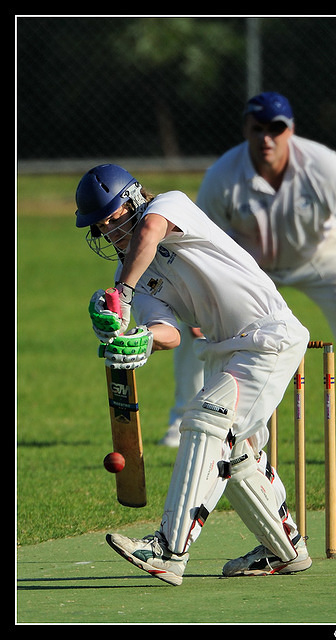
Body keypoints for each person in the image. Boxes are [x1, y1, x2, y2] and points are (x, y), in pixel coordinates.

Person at [75, 163, 312, 586]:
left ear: (133, 200)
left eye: (116, 217)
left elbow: (149, 232)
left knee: (207, 421)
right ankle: (285, 549)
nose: (113, 231)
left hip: (268, 333)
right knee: (237, 456)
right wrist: (136, 336)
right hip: (224, 351)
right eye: (102, 227)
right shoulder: (131, 274)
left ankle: (169, 550)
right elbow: (170, 332)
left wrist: (122, 293)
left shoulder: (169, 206)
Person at [164, 91, 336, 447]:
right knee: (195, 328)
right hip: (248, 268)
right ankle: (181, 423)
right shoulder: (223, 175)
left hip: (319, 257)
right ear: (246, 130)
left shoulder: (321, 165)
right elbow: (198, 240)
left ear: (290, 130)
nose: (267, 137)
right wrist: (202, 303)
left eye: (276, 129)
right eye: (258, 128)